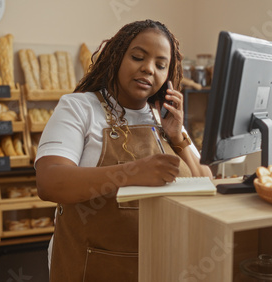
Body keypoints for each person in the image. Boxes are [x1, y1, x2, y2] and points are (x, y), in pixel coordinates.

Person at [35, 19, 213, 281]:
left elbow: (207, 184)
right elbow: (50, 181)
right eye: (138, 57)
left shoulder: (165, 118)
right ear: (116, 56)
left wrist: (178, 137)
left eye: (161, 65)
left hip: (159, 266)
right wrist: (132, 172)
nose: (149, 69)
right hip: (90, 269)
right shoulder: (78, 108)